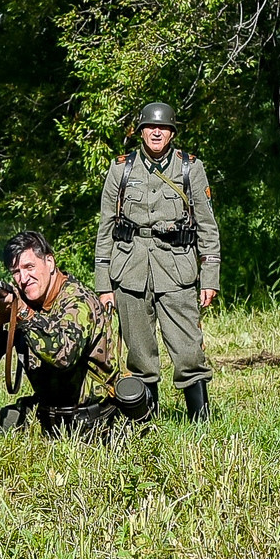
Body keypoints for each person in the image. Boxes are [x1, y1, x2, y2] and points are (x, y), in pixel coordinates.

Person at [94, 102, 221, 422]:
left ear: (172, 132)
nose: (156, 132)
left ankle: (201, 423)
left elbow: (207, 226)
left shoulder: (190, 168)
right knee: (139, 354)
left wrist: (210, 277)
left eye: (162, 127)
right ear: (140, 132)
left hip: (177, 270)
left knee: (189, 350)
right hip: (130, 271)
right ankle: (145, 423)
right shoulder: (121, 169)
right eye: (150, 127)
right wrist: (103, 284)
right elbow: (106, 227)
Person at [0, 230, 130, 438]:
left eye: (29, 267)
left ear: (50, 262)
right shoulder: (24, 301)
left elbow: (63, 355)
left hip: (89, 421)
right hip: (44, 414)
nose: (23, 278)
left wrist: (23, 313)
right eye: (15, 271)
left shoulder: (77, 301)